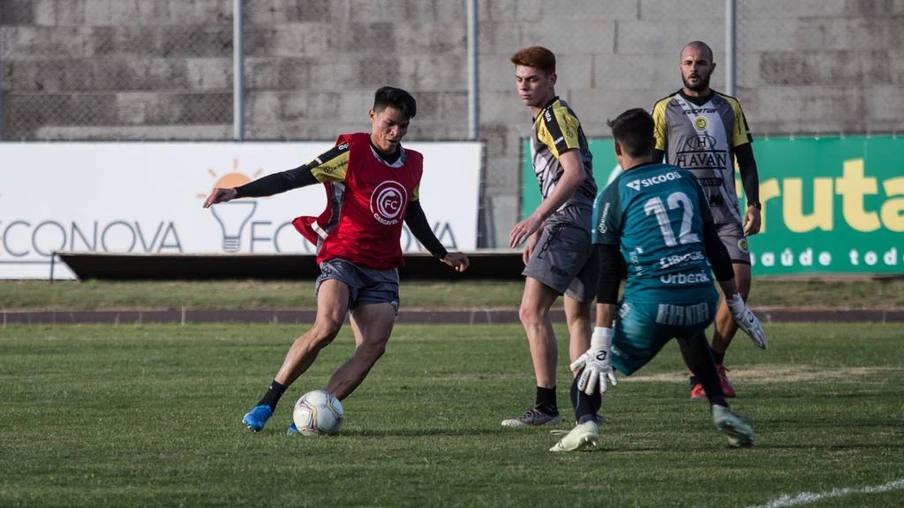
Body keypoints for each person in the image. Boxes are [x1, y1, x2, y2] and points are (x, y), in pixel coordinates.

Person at [203, 86, 470, 434]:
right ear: (372, 116)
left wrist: (441, 253)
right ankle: (268, 400)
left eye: (403, 126)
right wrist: (238, 191)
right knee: (327, 326)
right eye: (389, 123)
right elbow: (291, 178)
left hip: (383, 266)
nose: (396, 133)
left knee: (373, 346)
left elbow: (412, 211)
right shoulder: (350, 151)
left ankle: (314, 413)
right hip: (342, 255)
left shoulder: (413, 163)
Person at [549, 108, 766, 452]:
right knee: (692, 334)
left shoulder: (613, 194)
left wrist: (601, 341)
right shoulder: (686, 179)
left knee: (590, 367)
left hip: (649, 308)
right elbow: (715, 248)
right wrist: (735, 304)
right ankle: (720, 408)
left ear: (617, 151)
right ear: (654, 143)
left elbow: (608, 273)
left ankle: (585, 421)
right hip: (701, 301)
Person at [651, 40, 764, 400]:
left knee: (740, 285)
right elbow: (652, 166)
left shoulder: (729, 108)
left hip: (726, 216)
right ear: (680, 67)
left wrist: (755, 204)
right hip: (685, 219)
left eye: (700, 62)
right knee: (692, 297)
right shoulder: (665, 109)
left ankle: (715, 363)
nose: (694, 68)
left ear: (712, 67)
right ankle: (698, 377)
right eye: (687, 62)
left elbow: (745, 159)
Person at [502, 46, 599, 427]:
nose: (524, 87)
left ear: (552, 79)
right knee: (577, 317)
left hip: (569, 219)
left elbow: (572, 173)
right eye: (519, 80)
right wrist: (541, 228)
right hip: (584, 221)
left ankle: (546, 407)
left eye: (533, 80)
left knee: (531, 311)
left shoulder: (553, 117)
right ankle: (586, 411)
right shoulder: (552, 115)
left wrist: (538, 217)